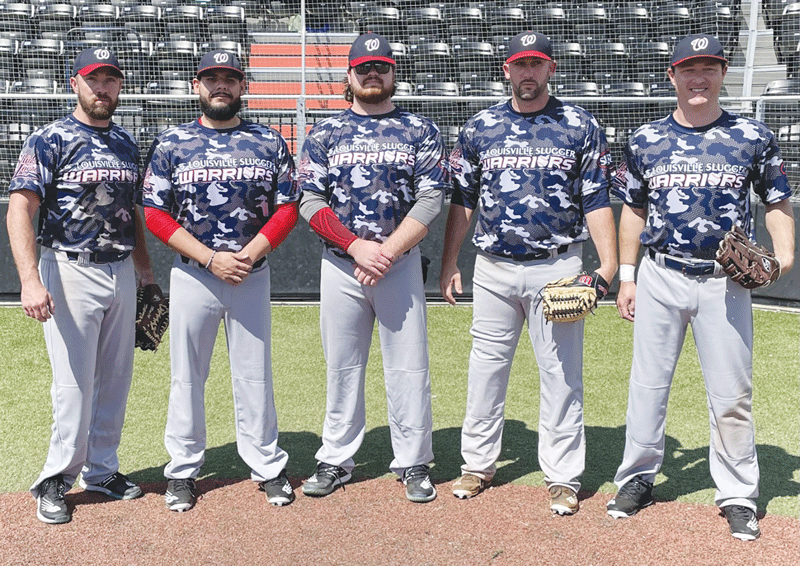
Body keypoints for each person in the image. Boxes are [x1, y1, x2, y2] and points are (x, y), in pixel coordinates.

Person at [607, 34, 795, 541]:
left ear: (722, 73)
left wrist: (785, 257)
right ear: (672, 75)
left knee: (732, 392)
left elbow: (777, 202)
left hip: (724, 282)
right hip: (661, 274)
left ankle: (737, 494)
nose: (698, 77)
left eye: (709, 67)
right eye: (688, 68)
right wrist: (627, 277)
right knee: (647, 386)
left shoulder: (752, 136)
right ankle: (637, 478)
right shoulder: (645, 139)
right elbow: (634, 210)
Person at [440, 31, 618, 515]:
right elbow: (463, 200)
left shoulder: (579, 123)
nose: (528, 73)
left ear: (551, 69)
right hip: (493, 269)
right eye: (520, 64)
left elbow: (597, 196)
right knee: (486, 370)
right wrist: (450, 261)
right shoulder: (479, 127)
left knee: (561, 375)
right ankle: (477, 465)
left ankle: (561, 476)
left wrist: (609, 264)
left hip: (558, 267)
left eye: (537, 64)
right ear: (506, 70)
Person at [142, 50, 299, 511]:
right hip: (194, 274)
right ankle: (183, 470)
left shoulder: (268, 141)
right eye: (211, 78)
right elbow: (153, 212)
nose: (220, 86)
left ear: (242, 86)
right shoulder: (172, 143)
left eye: (229, 78)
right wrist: (210, 258)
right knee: (187, 376)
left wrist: (248, 255)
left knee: (254, 374)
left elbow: (287, 206)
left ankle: (267, 464)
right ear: (196, 85)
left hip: (250, 273)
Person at [6, 47, 155, 524]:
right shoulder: (50, 139)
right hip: (69, 267)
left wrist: (147, 275)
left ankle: (102, 468)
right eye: (95, 79)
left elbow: (132, 214)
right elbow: (20, 210)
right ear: (75, 83)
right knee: (74, 384)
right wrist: (29, 281)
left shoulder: (128, 143)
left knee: (115, 377)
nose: (103, 87)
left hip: (120, 269)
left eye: (111, 79)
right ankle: (54, 479)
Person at [297, 32, 448, 503]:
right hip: (342, 265)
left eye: (381, 67)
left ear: (393, 74)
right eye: (363, 68)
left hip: (398, 265)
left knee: (408, 368)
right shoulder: (324, 133)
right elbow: (309, 200)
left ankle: (414, 462)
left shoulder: (419, 130)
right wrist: (356, 247)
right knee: (342, 366)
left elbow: (431, 197)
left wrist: (386, 250)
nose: (372, 74)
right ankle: (336, 458)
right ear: (349, 75)